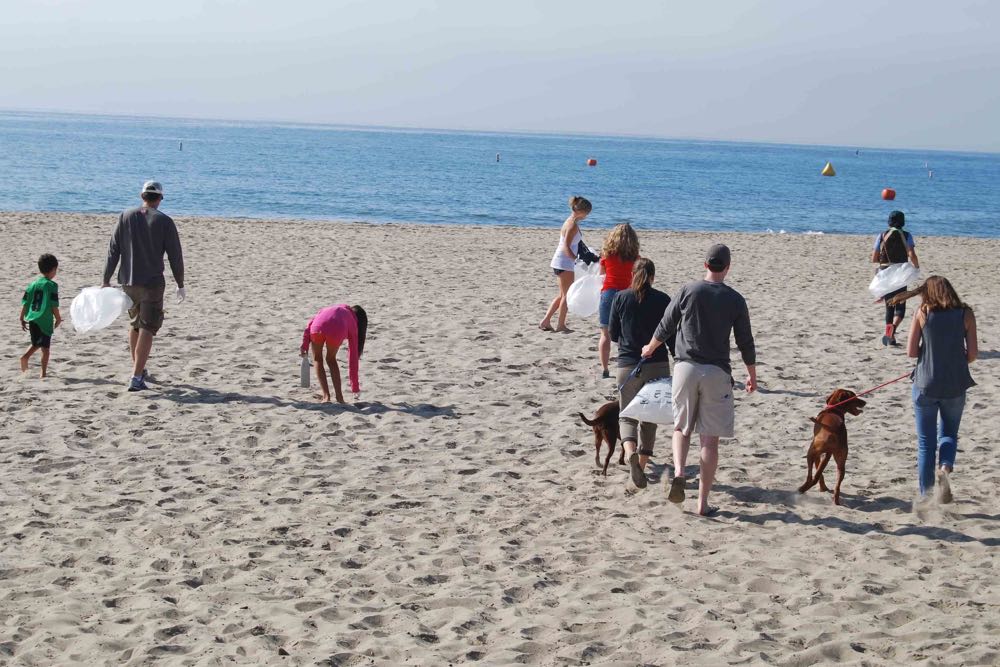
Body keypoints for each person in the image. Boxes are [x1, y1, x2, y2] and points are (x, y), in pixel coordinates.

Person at [641, 244, 756, 516]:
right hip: (716, 372)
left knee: (681, 428)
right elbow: (745, 341)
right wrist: (752, 375)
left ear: (705, 264)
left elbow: (666, 324)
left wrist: (651, 346)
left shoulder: (688, 290)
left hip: (685, 368)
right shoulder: (735, 299)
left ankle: (680, 471)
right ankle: (702, 504)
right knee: (709, 441)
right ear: (727, 267)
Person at [890, 277, 977, 502]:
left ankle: (926, 495)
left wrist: (929, 352)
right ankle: (945, 468)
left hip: (925, 383)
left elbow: (911, 351)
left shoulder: (923, 312)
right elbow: (972, 355)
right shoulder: (965, 313)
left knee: (926, 443)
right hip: (955, 383)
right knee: (948, 433)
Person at [102, 181, 185, 392]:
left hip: (128, 281)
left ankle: (138, 368)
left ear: (142, 195)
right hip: (152, 282)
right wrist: (180, 283)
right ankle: (137, 376)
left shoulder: (125, 216)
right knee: (148, 327)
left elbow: (113, 250)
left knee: (135, 324)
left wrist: (106, 279)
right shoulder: (165, 221)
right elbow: (175, 256)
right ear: (160, 199)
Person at [608, 258, 672, 488]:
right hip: (657, 364)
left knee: (626, 415)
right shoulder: (663, 299)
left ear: (632, 275)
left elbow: (614, 334)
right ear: (653, 277)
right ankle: (642, 466)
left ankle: (629, 452)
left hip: (627, 365)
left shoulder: (620, 297)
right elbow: (672, 334)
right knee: (650, 416)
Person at [539, 196, 592, 333]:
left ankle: (545, 321)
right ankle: (561, 325)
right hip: (564, 263)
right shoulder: (572, 225)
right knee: (566, 296)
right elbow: (566, 247)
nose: (587, 216)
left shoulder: (570, 221)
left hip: (560, 262)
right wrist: (576, 260)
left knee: (562, 294)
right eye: (587, 213)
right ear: (581, 211)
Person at [299, 304, 368, 404]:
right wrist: (355, 387)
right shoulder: (353, 321)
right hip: (336, 329)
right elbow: (353, 358)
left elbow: (310, 325)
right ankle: (339, 397)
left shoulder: (329, 308)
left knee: (317, 359)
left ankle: (326, 396)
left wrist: (305, 345)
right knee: (331, 360)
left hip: (317, 327)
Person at [597, 223, 640, 378]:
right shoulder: (635, 257)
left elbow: (601, 275)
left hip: (608, 293)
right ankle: (626, 365)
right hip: (627, 295)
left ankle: (604, 369)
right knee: (625, 333)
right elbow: (636, 278)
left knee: (605, 333)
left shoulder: (607, 255)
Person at [871, 210, 920, 346]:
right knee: (900, 307)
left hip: (885, 272)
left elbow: (874, 258)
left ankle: (890, 336)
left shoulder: (881, 235)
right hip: (900, 273)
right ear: (903, 221)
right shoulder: (907, 235)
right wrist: (916, 267)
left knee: (889, 306)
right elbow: (912, 254)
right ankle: (892, 330)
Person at [19, 253, 61, 378]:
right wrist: (58, 318)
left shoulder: (32, 284)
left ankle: (25, 357)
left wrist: (21, 317)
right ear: (53, 269)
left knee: (36, 343)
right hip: (45, 321)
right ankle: (43, 373)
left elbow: (25, 303)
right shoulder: (52, 286)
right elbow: (54, 305)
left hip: (32, 319)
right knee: (46, 349)